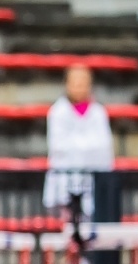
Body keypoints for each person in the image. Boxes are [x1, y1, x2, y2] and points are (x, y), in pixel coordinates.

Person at [44, 63, 114, 216]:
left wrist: (79, 148)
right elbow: (59, 146)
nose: (79, 86)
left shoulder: (99, 113)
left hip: (94, 183)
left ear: (90, 84)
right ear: (66, 84)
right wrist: (86, 148)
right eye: (75, 82)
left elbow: (103, 147)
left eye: (83, 82)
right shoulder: (58, 112)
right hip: (65, 181)